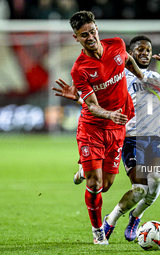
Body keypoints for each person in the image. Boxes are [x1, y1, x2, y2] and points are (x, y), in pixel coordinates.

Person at [53, 35, 160, 243]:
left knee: (156, 182)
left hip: (156, 137)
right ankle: (110, 220)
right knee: (138, 189)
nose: (145, 53)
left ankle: (135, 217)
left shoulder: (154, 78)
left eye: (148, 50)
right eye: (140, 49)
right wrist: (78, 97)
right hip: (130, 138)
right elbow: (95, 101)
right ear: (129, 54)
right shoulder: (119, 74)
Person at [53, 11, 151, 245]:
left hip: (116, 129)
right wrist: (110, 114)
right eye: (83, 34)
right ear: (75, 37)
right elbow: (92, 106)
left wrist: (140, 76)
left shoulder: (116, 45)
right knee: (95, 184)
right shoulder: (80, 69)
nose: (90, 37)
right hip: (93, 128)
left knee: (106, 186)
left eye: (92, 31)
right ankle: (98, 231)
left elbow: (127, 59)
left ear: (97, 28)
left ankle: (82, 170)